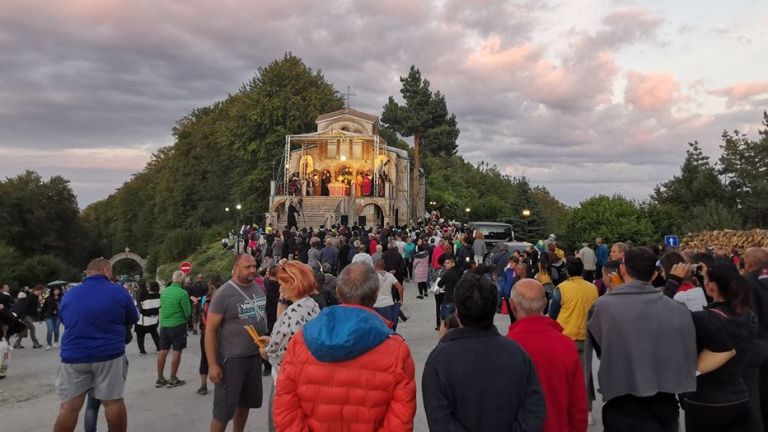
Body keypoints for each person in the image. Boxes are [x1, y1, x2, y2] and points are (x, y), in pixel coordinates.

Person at [273, 262, 416, 430]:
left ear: (338, 292)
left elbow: (285, 405)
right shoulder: (397, 350)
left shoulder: (301, 340)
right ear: (376, 295)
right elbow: (401, 418)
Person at [588, 247, 697, 432]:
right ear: (655, 274)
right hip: (664, 403)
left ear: (622, 269)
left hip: (622, 402)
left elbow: (601, 349)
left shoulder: (603, 308)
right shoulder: (678, 309)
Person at [422, 272, 546, 431]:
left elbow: (440, 421)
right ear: (494, 310)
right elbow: (534, 410)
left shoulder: (438, 360)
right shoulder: (518, 354)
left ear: (457, 313)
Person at [53, 258, 138, 432]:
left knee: (69, 407)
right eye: (111, 272)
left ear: (87, 273)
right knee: (113, 402)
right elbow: (133, 318)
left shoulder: (70, 294)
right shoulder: (118, 291)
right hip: (109, 354)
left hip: (73, 356)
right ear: (106, 270)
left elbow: (64, 320)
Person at [681, 258, 758, 432]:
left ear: (712, 287)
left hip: (705, 399)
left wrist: (673, 281)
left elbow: (666, 313)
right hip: (738, 394)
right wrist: (705, 279)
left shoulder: (703, 319)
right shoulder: (749, 316)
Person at [507, 279, 588, 432]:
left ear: (512, 305)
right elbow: (578, 405)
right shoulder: (566, 345)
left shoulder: (507, 347)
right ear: (545, 303)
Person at [205, 254, 267, 432]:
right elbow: (210, 330)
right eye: (248, 267)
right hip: (231, 361)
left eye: (254, 266)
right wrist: (212, 364)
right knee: (223, 411)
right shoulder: (224, 294)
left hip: (254, 358)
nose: (253, 270)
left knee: (245, 404)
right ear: (236, 268)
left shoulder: (257, 288)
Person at [260, 261, 321, 432]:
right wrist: (273, 340)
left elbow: (279, 352)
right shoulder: (311, 304)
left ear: (293, 284)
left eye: (281, 284)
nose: (279, 289)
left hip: (287, 381)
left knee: (279, 424)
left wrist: (266, 351)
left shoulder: (293, 313)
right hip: (307, 377)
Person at [156, 271, 191, 388]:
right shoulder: (183, 293)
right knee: (177, 350)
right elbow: (187, 312)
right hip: (178, 325)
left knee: (163, 350)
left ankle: (160, 378)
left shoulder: (164, 292)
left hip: (164, 325)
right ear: (182, 280)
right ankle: (173, 378)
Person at [198, 274, 221, 396]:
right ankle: (221, 384)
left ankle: (203, 386)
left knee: (205, 358)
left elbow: (202, 312)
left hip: (206, 331)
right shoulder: (223, 297)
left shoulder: (205, 298)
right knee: (221, 359)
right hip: (220, 332)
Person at [373, 259, 405, 331]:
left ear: (375, 266)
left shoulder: (373, 277)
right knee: (389, 327)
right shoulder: (390, 275)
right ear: (384, 266)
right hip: (388, 304)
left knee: (378, 328)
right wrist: (401, 300)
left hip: (376, 305)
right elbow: (400, 288)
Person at [436, 255, 462, 335]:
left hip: (448, 299)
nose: (445, 265)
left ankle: (443, 340)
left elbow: (440, 284)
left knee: (444, 322)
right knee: (458, 321)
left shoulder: (448, 273)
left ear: (452, 263)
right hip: (458, 299)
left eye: (447, 263)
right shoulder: (460, 271)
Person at [14, 284, 44, 349]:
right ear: (37, 290)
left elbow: (34, 308)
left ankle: (17, 343)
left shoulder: (36, 297)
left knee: (24, 330)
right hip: (25, 315)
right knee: (32, 328)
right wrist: (21, 317)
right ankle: (35, 343)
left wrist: (38, 317)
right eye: (41, 291)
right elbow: (24, 307)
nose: (41, 293)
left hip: (29, 316)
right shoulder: (30, 297)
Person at [135, 281, 161, 356]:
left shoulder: (143, 296)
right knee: (154, 333)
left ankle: (142, 350)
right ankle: (159, 348)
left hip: (143, 321)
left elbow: (140, 308)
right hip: (154, 320)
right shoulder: (159, 296)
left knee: (140, 335)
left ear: (150, 287)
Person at [42, 286, 63, 351]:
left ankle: (56, 341)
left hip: (58, 316)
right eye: (55, 290)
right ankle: (49, 344)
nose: (57, 291)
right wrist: (40, 317)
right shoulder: (48, 298)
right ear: (52, 291)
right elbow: (44, 308)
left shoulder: (62, 298)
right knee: (50, 329)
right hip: (49, 316)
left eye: (58, 290)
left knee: (56, 329)